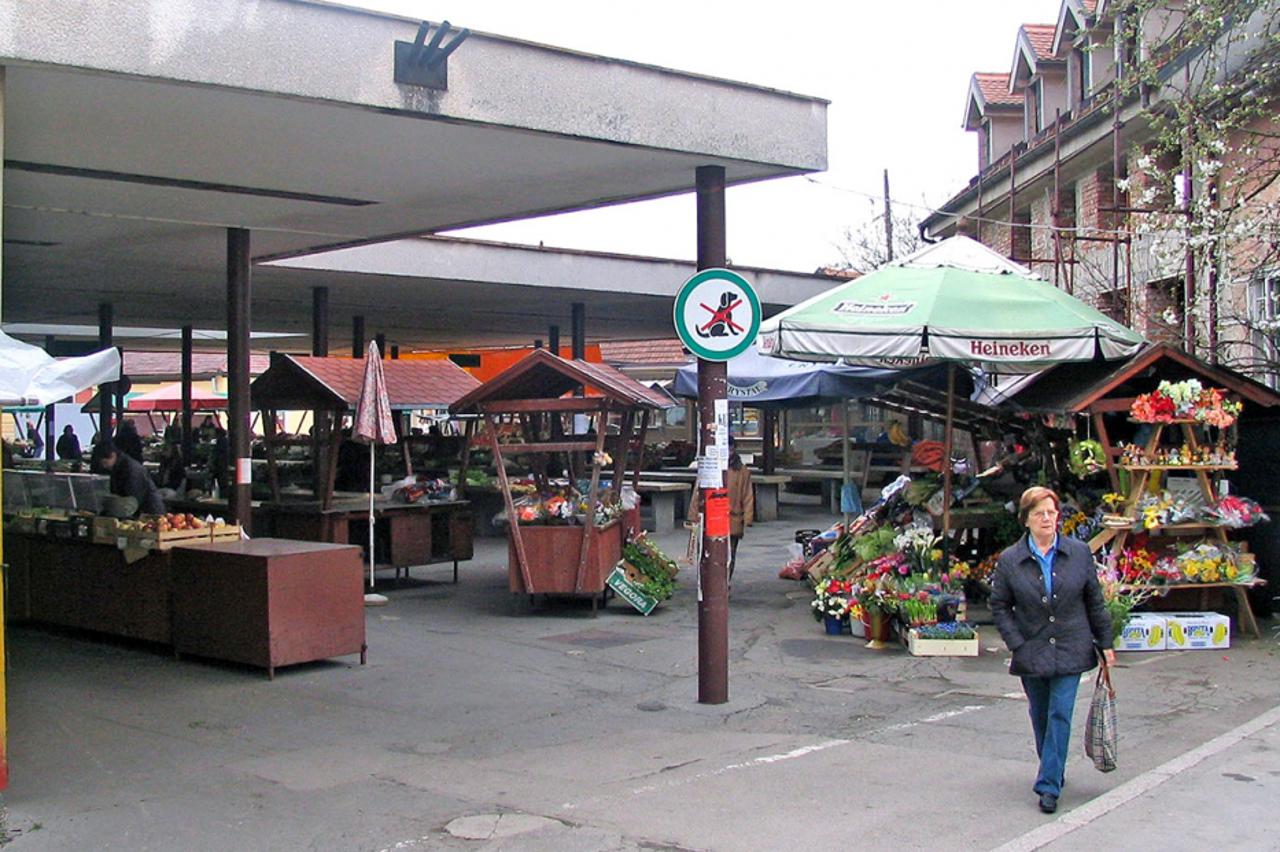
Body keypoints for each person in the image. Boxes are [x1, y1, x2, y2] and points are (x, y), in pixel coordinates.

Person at [990, 486, 1114, 815]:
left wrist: (1106, 642)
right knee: (1040, 714)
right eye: (1039, 513)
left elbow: (1094, 601)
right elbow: (1000, 606)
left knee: (1061, 712)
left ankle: (1048, 786)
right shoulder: (1010, 560)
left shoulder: (1078, 553)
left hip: (1072, 645)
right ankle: (1054, 767)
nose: (1047, 519)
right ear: (1026, 520)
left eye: (1051, 512)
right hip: (1031, 647)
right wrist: (1016, 642)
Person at [687, 440, 754, 579]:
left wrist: (748, 518)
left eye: (730, 449)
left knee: (730, 555)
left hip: (733, 518)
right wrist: (693, 516)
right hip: (711, 517)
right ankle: (710, 581)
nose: (727, 453)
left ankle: (725, 582)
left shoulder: (742, 471)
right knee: (710, 552)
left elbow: (747, 495)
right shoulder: (710, 468)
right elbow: (697, 493)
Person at [97, 438, 165, 516]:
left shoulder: (131, 469)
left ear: (113, 455)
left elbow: (133, 500)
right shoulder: (118, 466)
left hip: (149, 513)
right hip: (139, 510)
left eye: (105, 462)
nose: (104, 466)